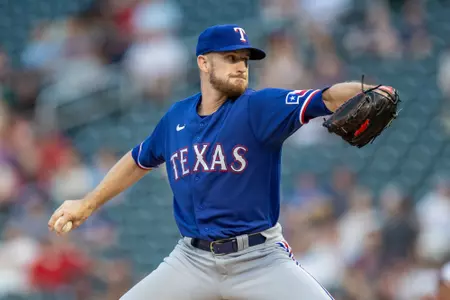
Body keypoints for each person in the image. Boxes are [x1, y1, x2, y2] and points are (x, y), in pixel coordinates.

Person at [48, 24, 396, 299]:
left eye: (244, 60)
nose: (241, 66)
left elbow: (324, 97)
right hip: (191, 260)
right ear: (203, 62)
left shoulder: (259, 107)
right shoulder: (176, 117)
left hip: (259, 259)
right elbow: (138, 160)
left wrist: (371, 90)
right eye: (231, 58)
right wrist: (87, 204)